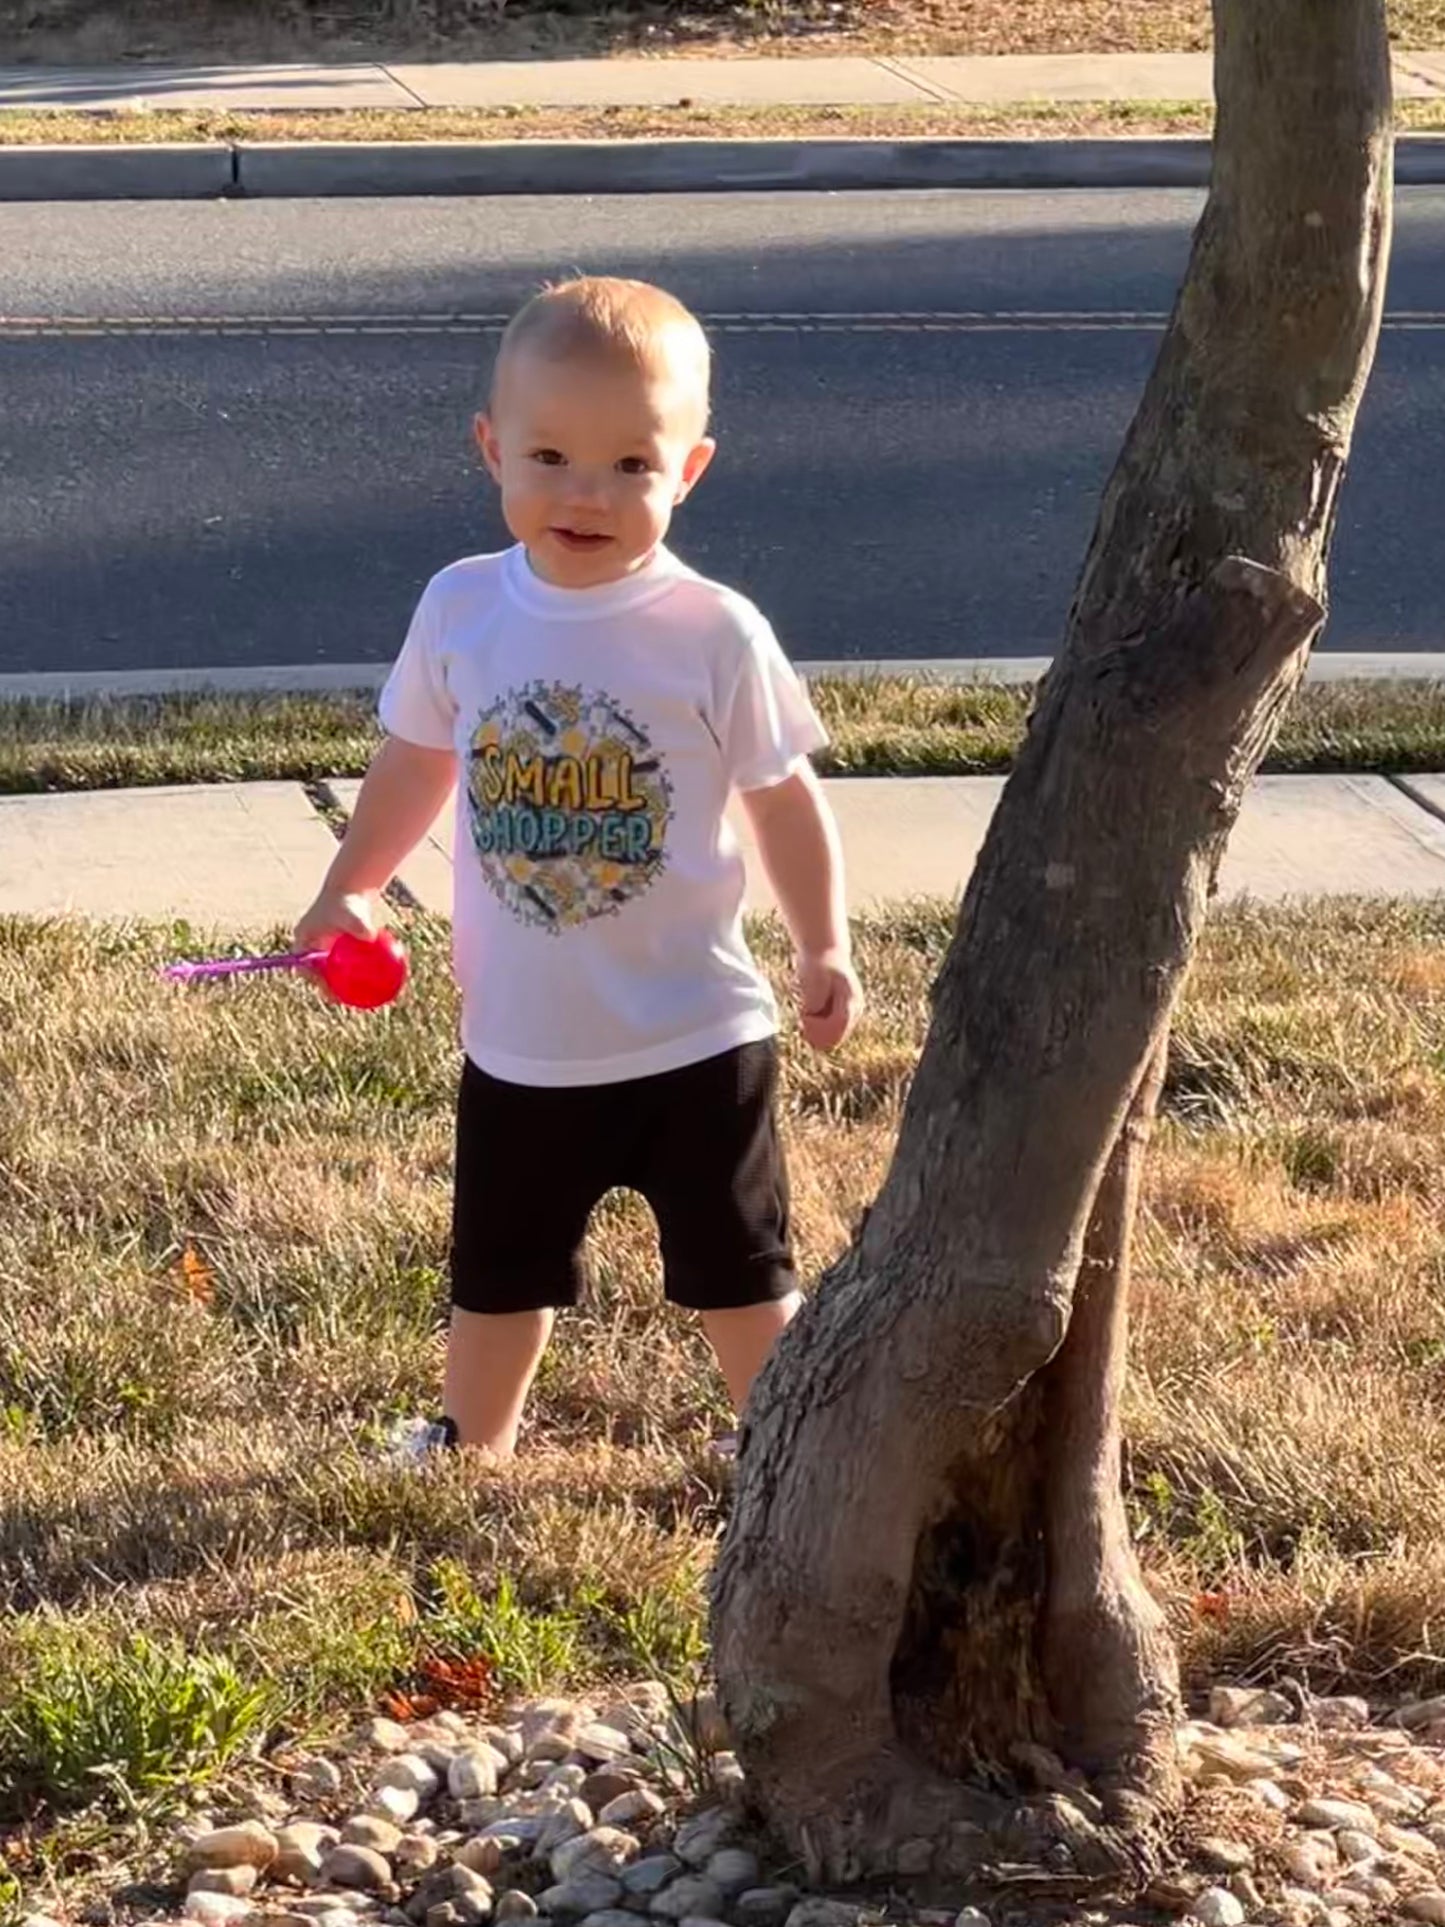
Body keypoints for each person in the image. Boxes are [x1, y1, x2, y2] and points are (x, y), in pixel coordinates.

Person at [294, 275, 862, 1459]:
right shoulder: (462, 610)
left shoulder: (711, 630)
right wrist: (350, 883)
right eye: (548, 455)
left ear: (688, 469)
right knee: (497, 1267)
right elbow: (413, 762)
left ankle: (782, 1443)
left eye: (628, 467)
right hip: (522, 1038)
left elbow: (780, 796)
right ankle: (473, 1436)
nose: (585, 495)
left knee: (739, 1267)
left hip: (697, 1035)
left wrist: (821, 941)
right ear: (490, 448)